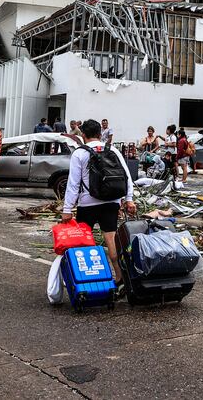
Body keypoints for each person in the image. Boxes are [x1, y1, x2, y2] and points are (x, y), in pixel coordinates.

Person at [61, 119, 136, 290]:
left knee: (83, 241)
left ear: (84, 135)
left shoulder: (79, 153)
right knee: (111, 238)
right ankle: (119, 276)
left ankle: (88, 278)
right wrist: (128, 198)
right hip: (111, 201)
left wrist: (67, 209)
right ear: (99, 134)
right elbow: (127, 177)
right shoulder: (113, 150)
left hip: (87, 203)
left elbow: (73, 184)